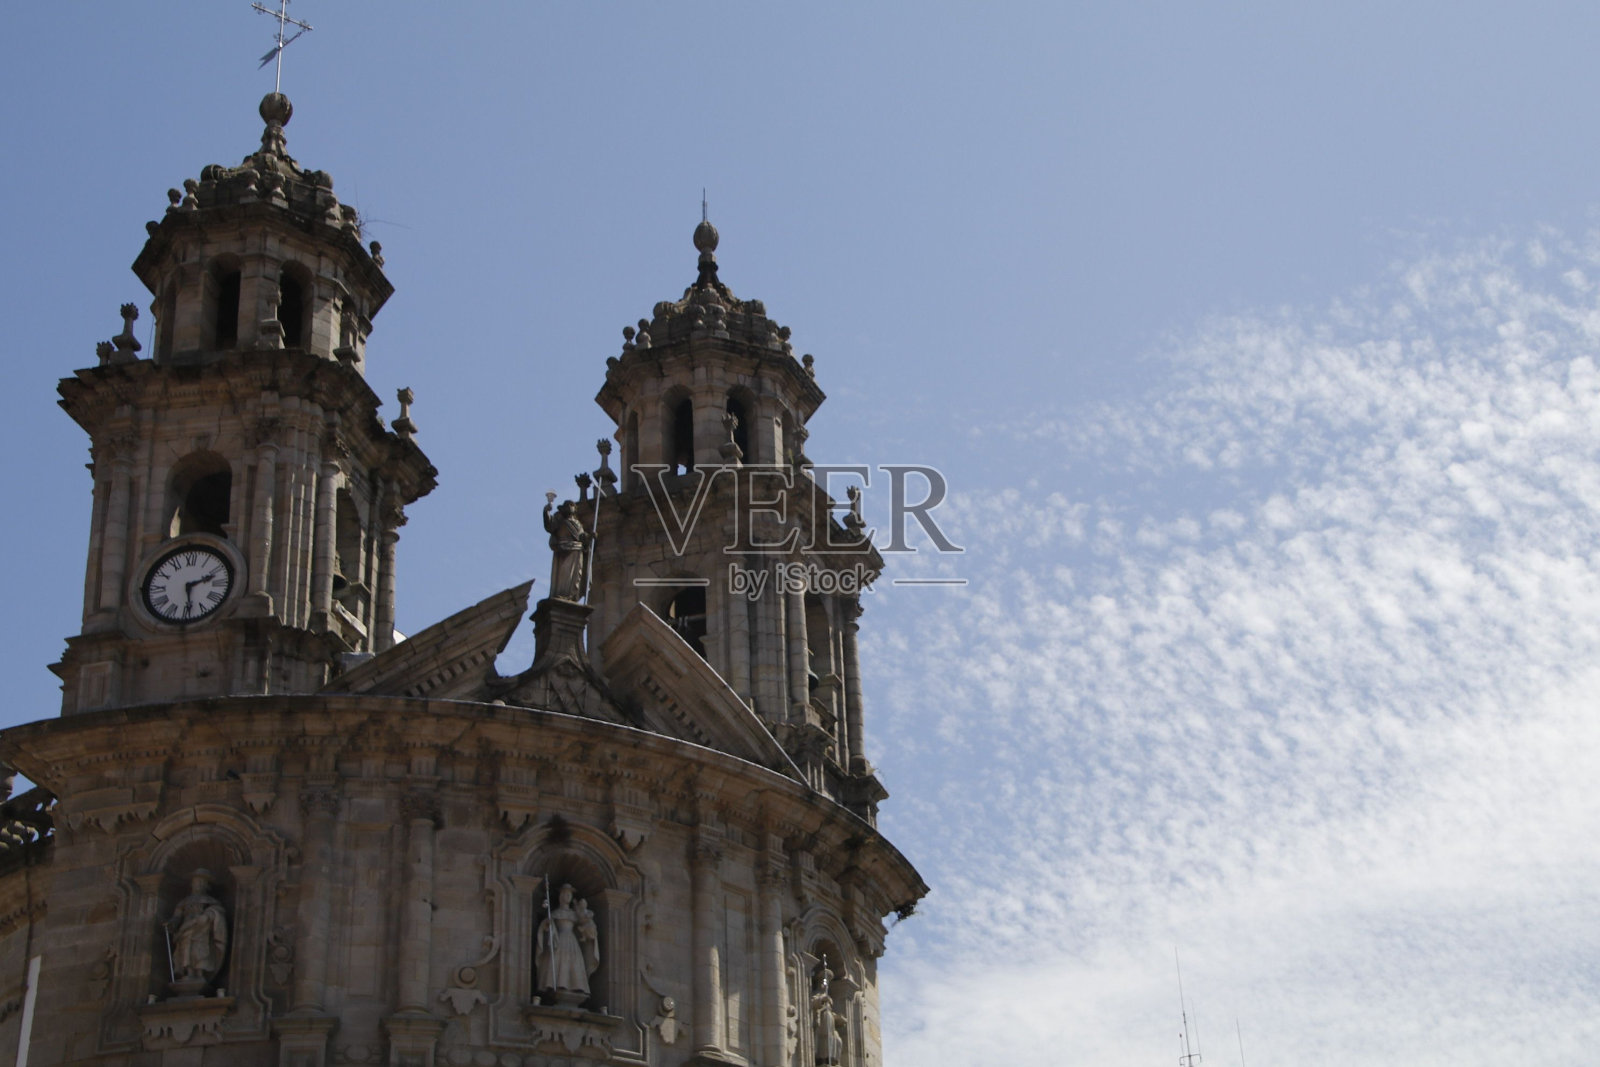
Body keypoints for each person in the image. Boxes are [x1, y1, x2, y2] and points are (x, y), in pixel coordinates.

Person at [536, 883, 600, 998]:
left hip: (572, 941)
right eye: (565, 893)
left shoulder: (574, 914)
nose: (568, 896)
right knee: (558, 961)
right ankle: (557, 985)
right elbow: (546, 927)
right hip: (559, 939)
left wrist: (589, 927)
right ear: (561, 895)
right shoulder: (555, 913)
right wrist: (548, 924)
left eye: (570, 894)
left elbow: (586, 925)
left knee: (573, 961)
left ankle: (574, 986)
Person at [167, 869, 228, 988]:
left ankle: (200, 973)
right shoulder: (184, 902)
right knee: (186, 950)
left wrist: (208, 916)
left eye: (201, 883)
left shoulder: (210, 901)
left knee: (200, 950)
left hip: (202, 930)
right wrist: (172, 923)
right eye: (196, 882)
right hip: (186, 930)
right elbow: (177, 916)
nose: (198, 885)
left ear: (206, 886)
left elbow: (218, 912)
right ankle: (189, 972)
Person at [543, 495, 590, 601]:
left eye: (572, 505)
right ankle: (562, 593)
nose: (570, 507)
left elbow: (582, 538)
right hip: (564, 550)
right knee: (564, 574)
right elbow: (549, 526)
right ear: (563, 508)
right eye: (567, 505)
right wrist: (546, 511)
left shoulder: (578, 524)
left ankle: (571, 595)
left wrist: (591, 537)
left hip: (577, 551)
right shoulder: (560, 520)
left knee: (575, 576)